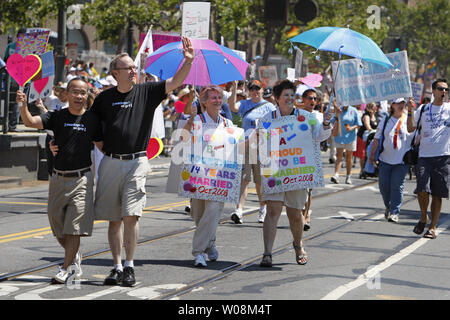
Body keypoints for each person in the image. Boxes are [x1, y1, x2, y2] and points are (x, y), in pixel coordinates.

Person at [89, 37, 194, 287]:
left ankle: (129, 266)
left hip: (136, 162)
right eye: (129, 68)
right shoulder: (104, 99)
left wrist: (187, 61)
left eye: (134, 68)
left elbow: (175, 82)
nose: (134, 71)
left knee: (131, 217)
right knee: (114, 219)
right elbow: (94, 131)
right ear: (116, 73)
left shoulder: (147, 91)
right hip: (111, 162)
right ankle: (115, 267)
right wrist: (107, 149)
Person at [16, 78, 102, 283]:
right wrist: (22, 104)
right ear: (67, 94)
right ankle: (74, 257)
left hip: (81, 179)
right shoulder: (57, 116)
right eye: (75, 92)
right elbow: (30, 122)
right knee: (57, 226)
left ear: (86, 95)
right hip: (57, 178)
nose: (79, 96)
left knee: (74, 228)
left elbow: (103, 145)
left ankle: (67, 268)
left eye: (82, 92)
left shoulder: (93, 119)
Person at [259, 80, 332, 267]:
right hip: (274, 170)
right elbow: (260, 144)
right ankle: (267, 252)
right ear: (277, 98)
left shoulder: (307, 117)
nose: (290, 98)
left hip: (297, 172)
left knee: (294, 214)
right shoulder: (267, 119)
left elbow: (319, 136)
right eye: (286, 95)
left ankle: (298, 245)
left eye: (292, 95)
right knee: (273, 211)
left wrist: (325, 122)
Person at [183, 85, 235, 267]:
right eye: (212, 98)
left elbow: (235, 148)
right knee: (199, 215)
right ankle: (210, 243)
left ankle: (198, 252)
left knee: (213, 210)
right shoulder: (197, 119)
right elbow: (183, 139)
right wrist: (190, 117)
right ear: (204, 102)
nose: (217, 101)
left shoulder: (228, 124)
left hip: (219, 177)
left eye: (219, 97)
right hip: (198, 175)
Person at [228, 80, 276, 224]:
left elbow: (274, 124)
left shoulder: (269, 107)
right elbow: (232, 106)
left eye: (258, 89)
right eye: (252, 89)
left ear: (262, 90)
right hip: (246, 146)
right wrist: (235, 87)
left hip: (262, 147)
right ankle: (239, 210)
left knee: (259, 182)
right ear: (248, 91)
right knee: (244, 179)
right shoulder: (245, 104)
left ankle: (262, 209)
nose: (255, 91)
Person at [407, 79, 449, 239]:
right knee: (422, 190)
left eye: (446, 89)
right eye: (440, 89)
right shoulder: (424, 109)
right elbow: (410, 128)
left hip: (443, 157)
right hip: (424, 156)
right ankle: (424, 216)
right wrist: (410, 111)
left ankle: (432, 227)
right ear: (433, 91)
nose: (444, 92)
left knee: (437, 194)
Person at [369, 98, 413, 223]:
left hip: (402, 161)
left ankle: (394, 212)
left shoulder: (408, 119)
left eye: (402, 103)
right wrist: (372, 155)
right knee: (383, 187)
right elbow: (377, 139)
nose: (400, 105)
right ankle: (388, 205)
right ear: (392, 105)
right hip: (385, 159)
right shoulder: (386, 119)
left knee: (397, 186)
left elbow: (415, 134)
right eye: (397, 103)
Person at [330, 104, 362, 184]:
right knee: (339, 156)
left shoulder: (353, 110)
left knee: (349, 157)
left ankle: (348, 176)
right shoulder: (338, 109)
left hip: (350, 137)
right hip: (340, 136)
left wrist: (352, 128)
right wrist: (337, 114)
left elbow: (359, 124)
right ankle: (336, 175)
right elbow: (333, 122)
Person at [355, 102, 378, 178]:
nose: (376, 108)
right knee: (363, 154)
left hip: (372, 137)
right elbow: (368, 126)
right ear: (371, 107)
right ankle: (362, 170)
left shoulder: (375, 116)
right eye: (375, 107)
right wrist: (373, 130)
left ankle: (372, 170)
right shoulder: (366, 116)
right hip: (363, 137)